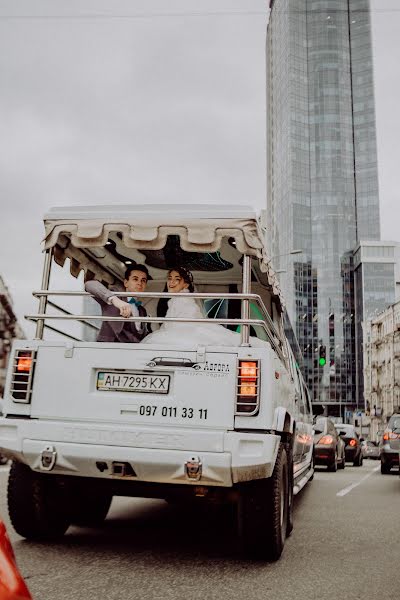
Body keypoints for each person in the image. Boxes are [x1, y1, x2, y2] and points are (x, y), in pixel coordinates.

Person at [142, 266, 268, 349]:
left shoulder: (183, 300)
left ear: (185, 284)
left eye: (176, 279)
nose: (171, 283)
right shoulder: (176, 299)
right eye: (169, 279)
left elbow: (187, 324)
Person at [84, 264, 151, 343]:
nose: (139, 283)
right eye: (135, 279)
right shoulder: (116, 297)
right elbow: (90, 284)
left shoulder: (142, 310)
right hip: (109, 348)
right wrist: (115, 300)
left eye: (143, 280)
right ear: (126, 283)